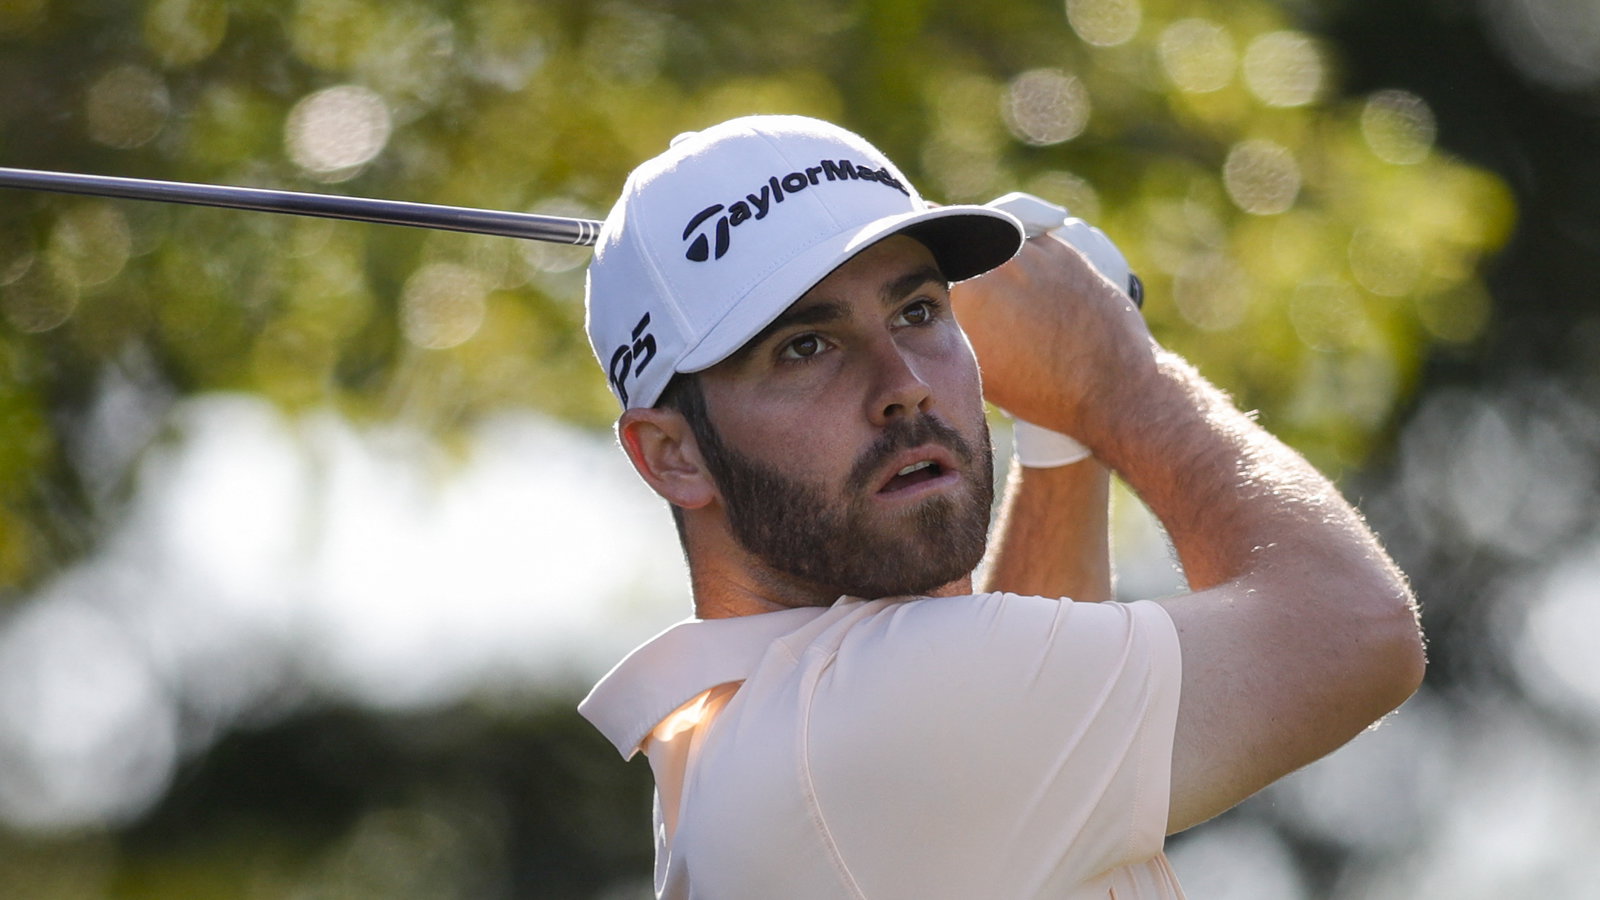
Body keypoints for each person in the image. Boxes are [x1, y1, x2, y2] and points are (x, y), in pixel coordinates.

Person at [577, 115, 1425, 899]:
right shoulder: (868, 723)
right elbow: (1356, 633)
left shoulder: (768, 729)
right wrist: (1115, 372)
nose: (903, 388)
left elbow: (1011, 675)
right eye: (806, 345)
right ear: (673, 454)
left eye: (917, 311)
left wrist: (1062, 438)